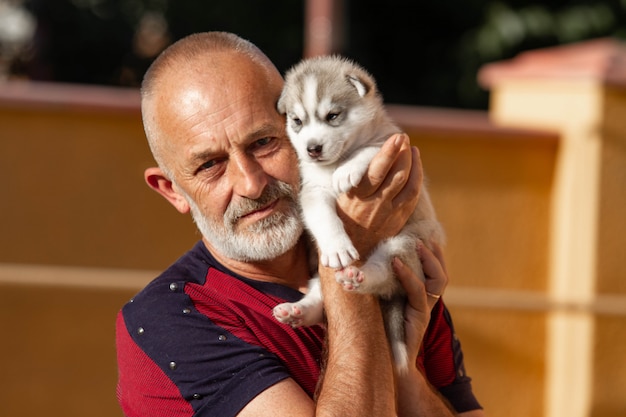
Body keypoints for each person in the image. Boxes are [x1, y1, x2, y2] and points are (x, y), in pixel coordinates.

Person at [115, 31, 484, 417]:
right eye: (210, 165)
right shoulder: (170, 320)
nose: (251, 183)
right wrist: (349, 267)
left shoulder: (397, 270)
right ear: (172, 191)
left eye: (263, 142)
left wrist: (402, 371)